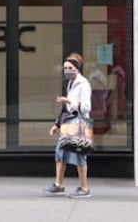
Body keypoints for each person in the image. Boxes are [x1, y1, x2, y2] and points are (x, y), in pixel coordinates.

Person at [45, 52, 92, 198]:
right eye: (65, 68)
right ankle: (59, 184)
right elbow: (65, 109)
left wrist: (70, 101)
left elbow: (86, 107)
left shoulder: (83, 85)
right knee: (60, 151)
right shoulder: (71, 84)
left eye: (70, 68)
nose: (67, 71)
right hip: (68, 121)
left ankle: (84, 187)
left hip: (79, 122)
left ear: (77, 68)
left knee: (79, 153)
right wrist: (57, 124)